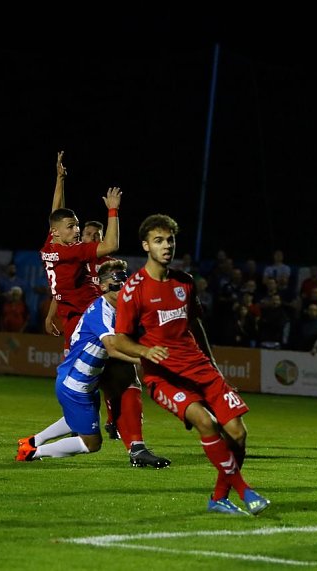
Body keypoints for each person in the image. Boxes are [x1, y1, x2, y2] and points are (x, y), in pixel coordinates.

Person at [112, 214, 270, 516]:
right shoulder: (133, 289)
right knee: (206, 422)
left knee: (238, 434)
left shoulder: (184, 282)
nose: (166, 246)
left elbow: (196, 325)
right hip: (164, 376)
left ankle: (219, 498)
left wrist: (214, 367)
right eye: (159, 240)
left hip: (200, 369)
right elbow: (120, 340)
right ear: (146, 245)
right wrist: (145, 351)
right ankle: (245, 491)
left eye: (170, 240)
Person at [40, 152, 168, 468]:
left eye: (77, 226)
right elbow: (110, 245)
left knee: (99, 389)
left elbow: (56, 213)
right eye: (73, 227)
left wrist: (60, 180)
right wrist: (113, 210)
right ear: (58, 233)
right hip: (90, 325)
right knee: (121, 378)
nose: (77, 230)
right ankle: (134, 446)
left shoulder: (49, 248)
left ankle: (37, 443)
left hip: (75, 325)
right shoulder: (71, 253)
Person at [15, 260, 146, 461]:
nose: (123, 286)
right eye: (117, 282)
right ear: (103, 286)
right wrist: (145, 358)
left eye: (125, 281)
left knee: (78, 418)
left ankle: (32, 442)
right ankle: (32, 453)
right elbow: (113, 348)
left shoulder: (114, 309)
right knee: (92, 443)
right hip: (75, 384)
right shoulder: (101, 312)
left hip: (85, 381)